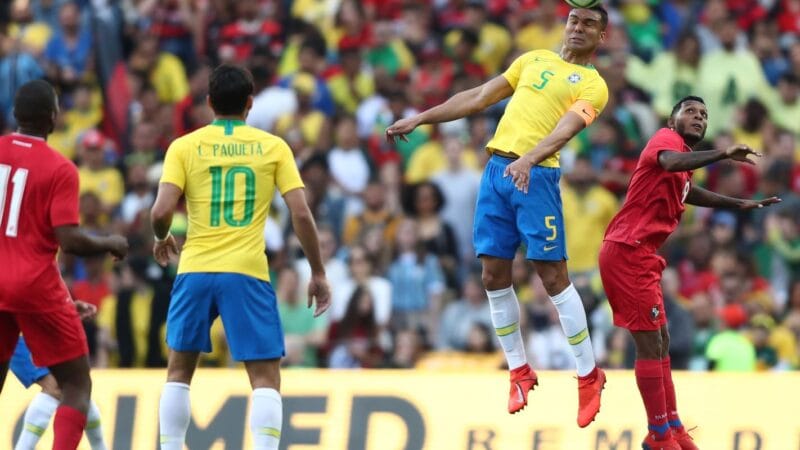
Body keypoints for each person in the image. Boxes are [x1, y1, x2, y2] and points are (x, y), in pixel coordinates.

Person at [386, 6, 609, 425]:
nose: (578, 28)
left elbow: (565, 130)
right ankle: (519, 371)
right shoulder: (532, 59)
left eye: (589, 24)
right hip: (497, 172)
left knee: (553, 275)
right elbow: (477, 97)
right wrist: (420, 118)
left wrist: (528, 158)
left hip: (536, 175)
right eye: (574, 20)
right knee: (492, 275)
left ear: (602, 36)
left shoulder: (594, 86)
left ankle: (588, 375)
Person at [150, 64, 331, 450]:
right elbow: (300, 213)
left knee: (179, 371)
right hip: (246, 272)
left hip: (195, 268)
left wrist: (161, 236)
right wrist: (317, 270)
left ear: (209, 102)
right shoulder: (273, 147)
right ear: (251, 103)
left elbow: (160, 211)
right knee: (265, 377)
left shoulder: (184, 146)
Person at [598, 96, 780, 450]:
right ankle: (659, 435)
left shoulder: (682, 163)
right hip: (627, 251)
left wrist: (737, 203)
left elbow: (687, 191)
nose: (699, 117)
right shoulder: (666, 141)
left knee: (661, 340)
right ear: (672, 118)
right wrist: (724, 154)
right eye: (691, 112)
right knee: (650, 344)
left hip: (642, 253)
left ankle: (672, 424)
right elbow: (670, 163)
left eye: (704, 115)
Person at [0, 79, 128, 450]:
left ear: (15, 114)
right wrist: (110, 242)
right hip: (34, 286)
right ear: (54, 119)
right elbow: (69, 239)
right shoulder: (60, 169)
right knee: (75, 384)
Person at [11, 302, 107, 450]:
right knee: (63, 387)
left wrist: (63, 308)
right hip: (14, 331)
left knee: (73, 385)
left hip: (35, 323)